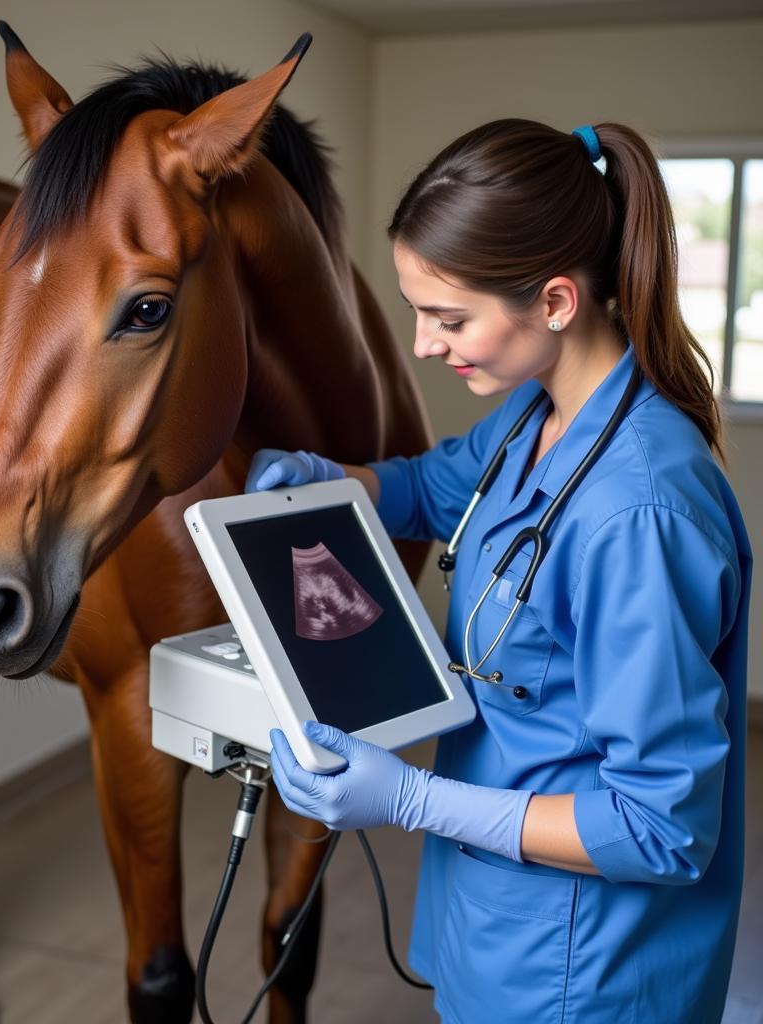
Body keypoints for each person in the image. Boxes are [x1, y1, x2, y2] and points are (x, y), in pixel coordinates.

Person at [249, 120, 751, 1024]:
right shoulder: (537, 413)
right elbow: (439, 486)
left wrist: (405, 796)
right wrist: (335, 479)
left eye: (449, 318)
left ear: (556, 302)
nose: (424, 346)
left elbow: (660, 825)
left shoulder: (637, 514)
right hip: (499, 924)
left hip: (587, 966)